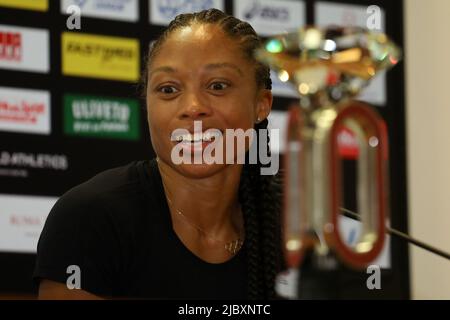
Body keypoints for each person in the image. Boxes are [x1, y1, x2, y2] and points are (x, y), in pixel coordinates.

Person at [33, 8, 283, 300]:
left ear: (261, 104)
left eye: (217, 86)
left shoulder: (290, 225)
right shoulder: (89, 218)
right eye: (168, 89)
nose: (192, 106)